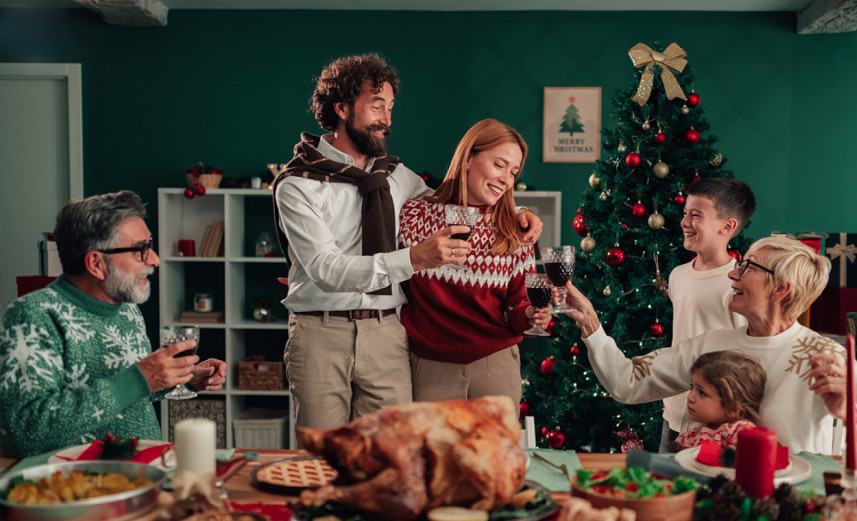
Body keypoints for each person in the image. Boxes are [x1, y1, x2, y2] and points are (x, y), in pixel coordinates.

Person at [272, 54, 542, 429]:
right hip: (321, 332)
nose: (386, 119)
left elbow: (451, 203)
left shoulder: (396, 175)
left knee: (391, 450)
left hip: (387, 333)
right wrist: (414, 259)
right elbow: (325, 269)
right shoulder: (298, 183)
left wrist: (516, 212)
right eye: (376, 105)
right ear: (341, 108)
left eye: (390, 107)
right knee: (326, 450)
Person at [556, 236, 857, 454]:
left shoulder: (827, 357)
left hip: (791, 505)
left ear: (781, 289)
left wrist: (849, 412)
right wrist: (590, 322)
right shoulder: (712, 345)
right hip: (711, 497)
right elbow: (628, 382)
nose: (733, 274)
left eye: (748, 266)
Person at [0, 191, 227, 457]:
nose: (155, 259)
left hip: (147, 471)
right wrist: (140, 378)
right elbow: (28, 432)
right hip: (83, 479)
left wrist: (184, 378)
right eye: (141, 250)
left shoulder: (128, 309)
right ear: (96, 263)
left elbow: (132, 390)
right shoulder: (32, 315)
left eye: (150, 246)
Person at [398, 119, 551, 406]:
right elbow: (386, 274)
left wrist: (531, 314)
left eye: (513, 172)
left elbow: (518, 304)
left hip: (495, 366)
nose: (506, 179)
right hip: (430, 367)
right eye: (499, 165)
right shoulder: (414, 216)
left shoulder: (515, 229)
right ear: (468, 158)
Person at [660, 178, 756, 452]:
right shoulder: (678, 275)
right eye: (685, 213)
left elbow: (746, 353)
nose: (684, 222)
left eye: (696, 215)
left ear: (727, 226)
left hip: (715, 420)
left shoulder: (737, 284)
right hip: (674, 407)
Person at [669, 350, 766, 452]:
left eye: (702, 393)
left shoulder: (741, 431)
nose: (690, 397)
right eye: (692, 387)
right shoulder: (689, 437)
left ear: (732, 409)